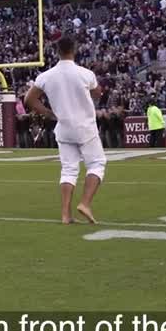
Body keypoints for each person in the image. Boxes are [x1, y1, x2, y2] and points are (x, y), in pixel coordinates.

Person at [25, 35, 105, 225]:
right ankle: (85, 203)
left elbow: (29, 99)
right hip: (85, 126)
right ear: (74, 50)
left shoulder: (46, 76)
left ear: (57, 52)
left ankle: (66, 214)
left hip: (63, 126)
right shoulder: (85, 73)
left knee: (69, 170)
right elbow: (98, 93)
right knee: (97, 164)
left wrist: (48, 113)